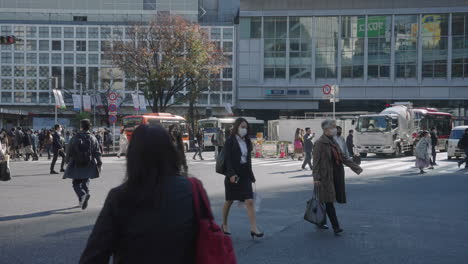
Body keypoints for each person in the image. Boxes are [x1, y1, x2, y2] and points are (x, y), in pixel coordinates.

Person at [79, 125, 197, 263]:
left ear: (133, 155)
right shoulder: (192, 189)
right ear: (170, 153)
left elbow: (94, 256)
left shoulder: (119, 197)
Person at [313, 120, 363, 235]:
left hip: (336, 175)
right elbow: (315, 162)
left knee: (325, 200)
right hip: (325, 177)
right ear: (326, 129)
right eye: (333, 127)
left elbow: (343, 157)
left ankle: (320, 221)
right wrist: (316, 178)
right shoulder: (320, 143)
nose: (335, 129)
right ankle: (336, 227)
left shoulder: (333, 142)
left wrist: (356, 167)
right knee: (329, 201)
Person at [221, 117, 263, 239]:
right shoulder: (230, 141)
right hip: (233, 174)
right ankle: (224, 224)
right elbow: (227, 159)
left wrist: (251, 175)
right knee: (229, 200)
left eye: (246, 127)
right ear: (236, 127)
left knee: (249, 201)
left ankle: (254, 228)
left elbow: (248, 160)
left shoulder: (247, 141)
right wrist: (230, 174)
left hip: (245, 174)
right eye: (242, 127)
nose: (244, 129)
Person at [64, 119, 102, 210]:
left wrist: (66, 160)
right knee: (86, 181)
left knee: (76, 182)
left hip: (76, 162)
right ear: (89, 127)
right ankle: (83, 199)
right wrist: (99, 162)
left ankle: (82, 195)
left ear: (81, 126)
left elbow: (69, 149)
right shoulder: (93, 138)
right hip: (89, 162)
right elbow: (97, 151)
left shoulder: (75, 137)